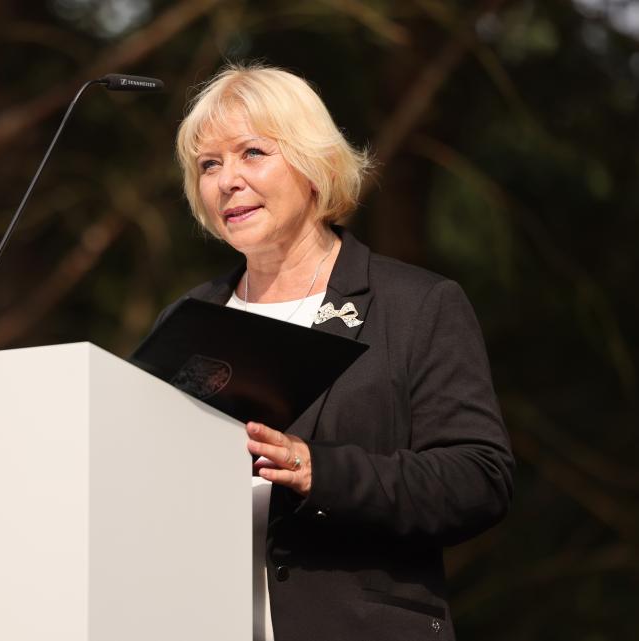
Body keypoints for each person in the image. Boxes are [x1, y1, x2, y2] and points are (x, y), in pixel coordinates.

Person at [160, 63, 515, 641]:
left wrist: (316, 469)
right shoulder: (188, 321)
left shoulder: (414, 305)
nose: (227, 180)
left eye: (252, 153)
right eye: (209, 165)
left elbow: (478, 478)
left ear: (312, 164)